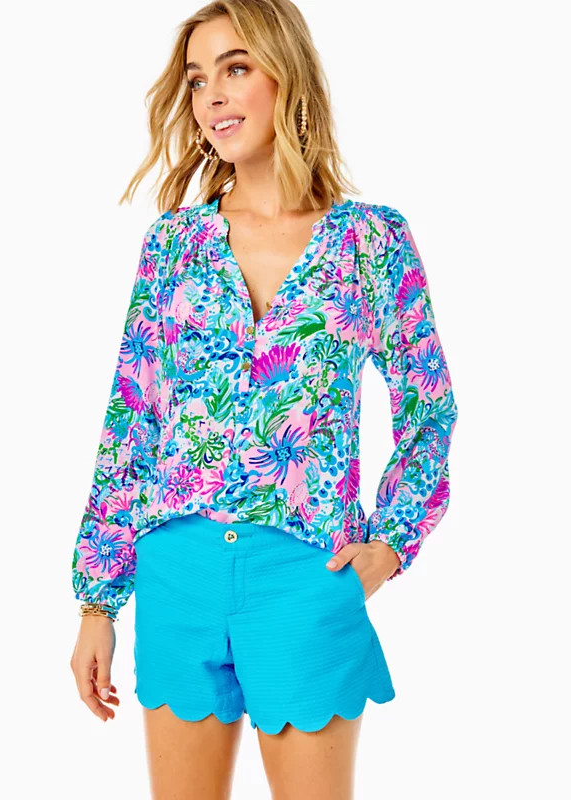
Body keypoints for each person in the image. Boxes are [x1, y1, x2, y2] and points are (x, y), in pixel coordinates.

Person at [69, 1, 459, 797]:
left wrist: (391, 545)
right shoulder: (174, 246)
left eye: (236, 67)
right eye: (196, 79)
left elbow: (429, 408)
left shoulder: (371, 243)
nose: (212, 95)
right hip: (176, 573)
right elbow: (131, 420)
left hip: (306, 576)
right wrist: (97, 604)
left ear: (288, 76)